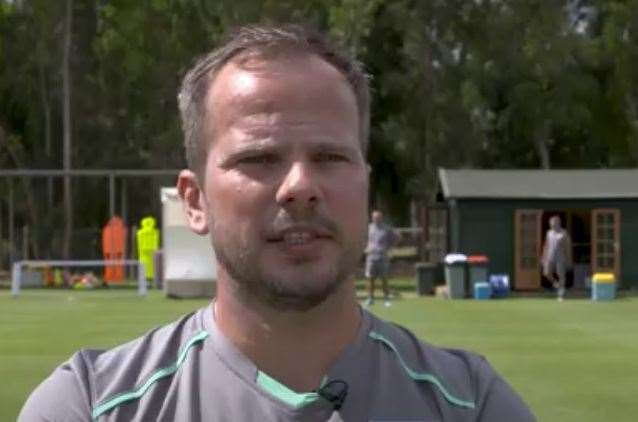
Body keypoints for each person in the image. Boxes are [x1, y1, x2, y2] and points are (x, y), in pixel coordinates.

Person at [19, 24, 535, 421]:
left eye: (331, 157)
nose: (300, 186)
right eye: (260, 159)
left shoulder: (470, 405)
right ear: (194, 201)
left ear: (365, 183)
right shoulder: (91, 405)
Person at [364, 209, 399, 307]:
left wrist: (389, 247)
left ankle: (387, 299)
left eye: (378, 217)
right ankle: (370, 298)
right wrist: (365, 248)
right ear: (372, 218)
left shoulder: (386, 228)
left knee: (384, 278)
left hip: (382, 256)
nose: (376, 219)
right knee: (370, 278)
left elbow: (396, 238)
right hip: (371, 256)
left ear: (381, 218)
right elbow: (362, 239)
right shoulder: (368, 228)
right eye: (374, 217)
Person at [542, 215, 573, 302]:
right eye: (550, 222)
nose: (551, 223)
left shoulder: (564, 233)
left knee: (561, 275)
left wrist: (569, 259)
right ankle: (556, 284)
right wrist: (543, 257)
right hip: (550, 256)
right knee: (546, 273)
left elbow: (568, 247)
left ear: (558, 222)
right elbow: (546, 246)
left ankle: (561, 295)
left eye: (553, 222)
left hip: (561, 257)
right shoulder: (549, 233)